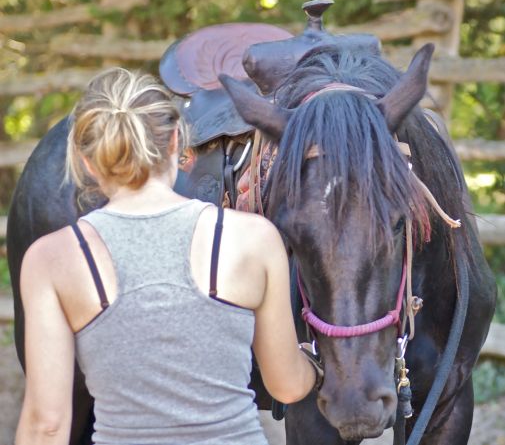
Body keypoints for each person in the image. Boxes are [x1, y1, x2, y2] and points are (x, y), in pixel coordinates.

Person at [15, 68, 318, 445]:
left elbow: (47, 423)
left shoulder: (50, 260)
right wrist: (316, 365)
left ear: (87, 163)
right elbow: (287, 387)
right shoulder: (255, 239)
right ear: (176, 141)